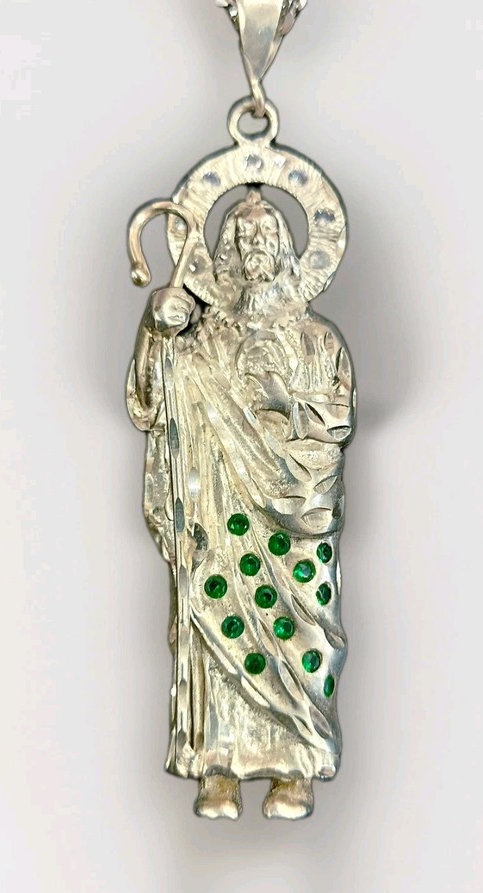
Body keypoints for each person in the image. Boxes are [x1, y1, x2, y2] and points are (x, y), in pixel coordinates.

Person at [126, 189, 355, 819]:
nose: (255, 247)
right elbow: (151, 405)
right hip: (217, 512)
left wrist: (289, 406)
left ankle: (296, 766)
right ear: (223, 251)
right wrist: (156, 331)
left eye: (267, 236)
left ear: (288, 250)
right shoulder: (202, 339)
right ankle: (218, 767)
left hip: (295, 513)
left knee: (299, 625)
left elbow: (339, 419)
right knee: (213, 612)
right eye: (242, 237)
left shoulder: (316, 339)